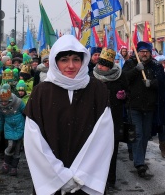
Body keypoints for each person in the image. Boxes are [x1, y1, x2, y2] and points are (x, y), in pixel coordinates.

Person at [24, 34, 114, 194]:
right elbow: (34, 140)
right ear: (55, 62)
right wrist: (58, 177)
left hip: (86, 183)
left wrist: (81, 176)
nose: (70, 65)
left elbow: (103, 137)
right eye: (64, 60)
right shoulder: (41, 92)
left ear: (83, 61)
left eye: (76, 60)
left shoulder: (97, 90)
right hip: (51, 182)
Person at [122, 41, 165, 177]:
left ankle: (138, 157)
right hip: (134, 106)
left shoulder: (156, 66)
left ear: (150, 53)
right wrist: (136, 70)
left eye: (147, 51)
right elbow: (124, 79)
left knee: (146, 135)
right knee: (138, 134)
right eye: (142, 51)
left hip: (149, 107)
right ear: (138, 52)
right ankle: (140, 163)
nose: (144, 54)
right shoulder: (130, 64)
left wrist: (151, 83)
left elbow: (162, 83)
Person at [92, 48, 127, 188]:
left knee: (112, 149)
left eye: (104, 64)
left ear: (110, 65)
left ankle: (111, 178)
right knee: (96, 150)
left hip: (113, 118)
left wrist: (124, 96)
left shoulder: (120, 75)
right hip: (95, 119)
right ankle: (96, 177)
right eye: (100, 63)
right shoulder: (92, 76)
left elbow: (127, 92)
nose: (100, 66)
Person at [0, 83, 26, 176]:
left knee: (17, 149)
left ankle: (14, 167)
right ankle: (6, 163)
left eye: (5, 102)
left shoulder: (18, 102)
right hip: (9, 128)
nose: (4, 103)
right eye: (2, 101)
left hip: (20, 127)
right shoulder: (0, 106)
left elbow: (26, 112)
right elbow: (0, 119)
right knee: (11, 145)